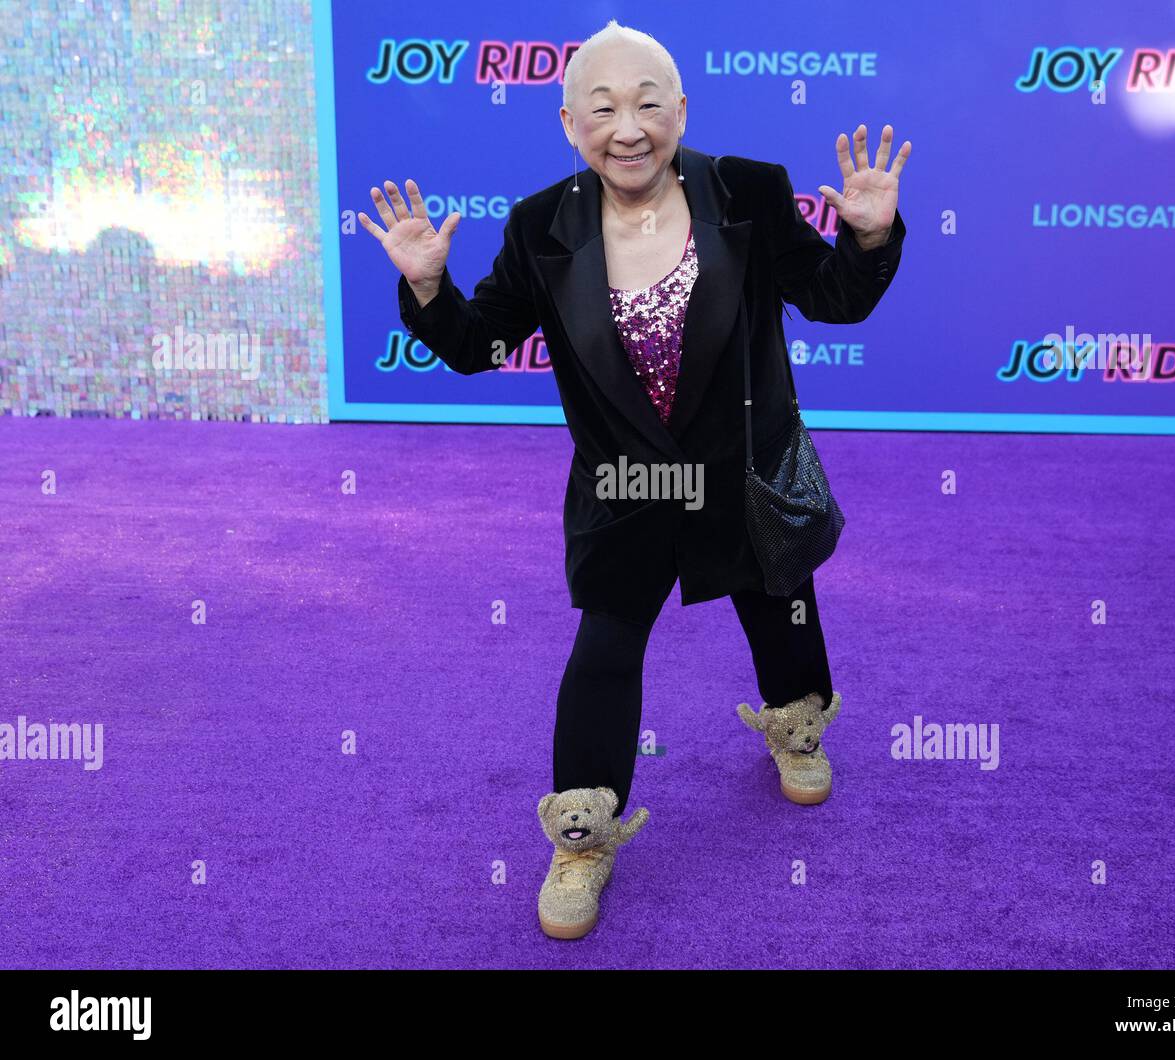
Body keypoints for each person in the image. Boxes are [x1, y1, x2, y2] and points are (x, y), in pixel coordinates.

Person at [358, 19, 909, 940]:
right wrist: (427, 288)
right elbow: (477, 346)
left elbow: (835, 299)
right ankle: (583, 835)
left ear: (681, 111)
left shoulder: (750, 193)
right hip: (625, 488)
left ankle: (797, 722)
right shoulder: (542, 224)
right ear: (567, 121)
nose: (628, 127)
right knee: (605, 652)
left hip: (745, 470)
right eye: (602, 108)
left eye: (649, 103)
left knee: (780, 603)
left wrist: (869, 237)